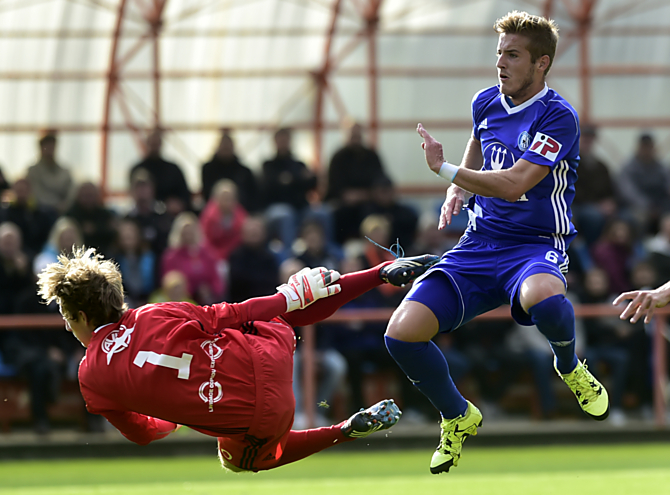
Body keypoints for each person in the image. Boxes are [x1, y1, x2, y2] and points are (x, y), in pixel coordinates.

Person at [384, 11, 610, 475]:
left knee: (546, 301)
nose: (501, 64)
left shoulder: (559, 116)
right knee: (401, 335)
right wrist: (458, 189)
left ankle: (567, 365)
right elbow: (478, 142)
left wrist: (444, 171)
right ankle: (457, 415)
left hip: (533, 244)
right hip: (479, 243)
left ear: (541, 63)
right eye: (499, 54)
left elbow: (513, 184)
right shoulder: (486, 102)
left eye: (512, 55)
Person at [36, 246, 439, 472]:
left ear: (82, 317)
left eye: (68, 318)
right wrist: (287, 298)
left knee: (239, 461)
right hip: (269, 353)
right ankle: (380, 273)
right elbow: (223, 314)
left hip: (260, 415)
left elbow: (141, 433)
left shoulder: (90, 376)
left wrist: (170, 420)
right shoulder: (155, 311)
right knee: (273, 316)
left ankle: (344, 430)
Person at [129, 130, 192, 213]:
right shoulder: (137, 169)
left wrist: (177, 204)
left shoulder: (173, 170)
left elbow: (185, 196)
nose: (154, 146)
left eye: (156, 143)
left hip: (170, 214)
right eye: (152, 143)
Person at [201, 130, 259, 212]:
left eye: (228, 144)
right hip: (214, 212)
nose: (226, 147)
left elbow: (253, 195)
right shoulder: (208, 169)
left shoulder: (244, 171)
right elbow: (206, 194)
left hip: (242, 212)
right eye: (223, 144)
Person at [26, 132, 75, 213]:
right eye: (46, 146)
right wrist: (54, 205)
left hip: (62, 211)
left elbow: (71, 192)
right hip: (39, 212)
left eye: (52, 146)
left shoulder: (65, 171)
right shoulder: (33, 171)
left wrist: (65, 205)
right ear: (41, 148)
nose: (49, 150)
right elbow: (36, 193)